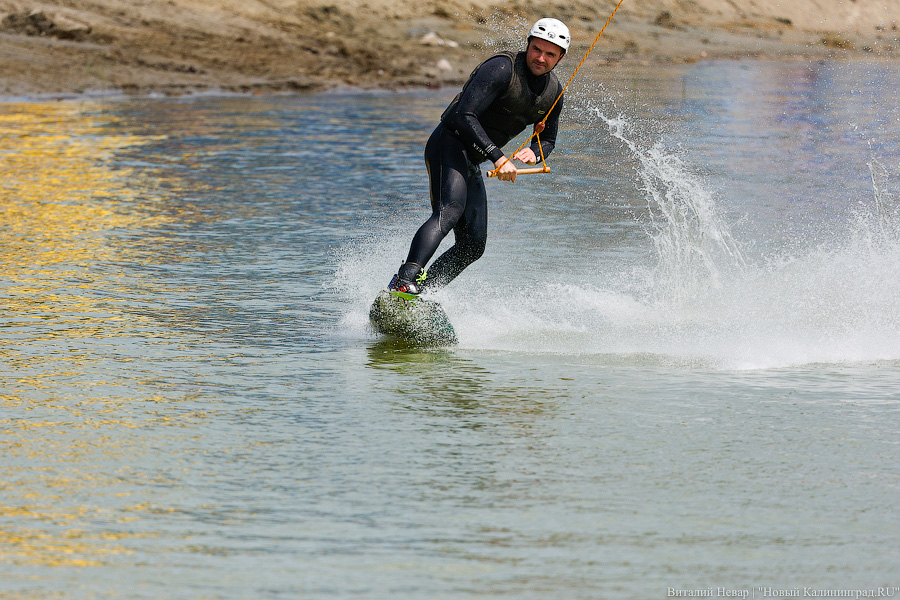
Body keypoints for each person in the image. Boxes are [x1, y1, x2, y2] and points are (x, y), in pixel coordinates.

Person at [387, 17, 570, 297]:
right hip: (448, 142)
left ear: (560, 58)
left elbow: (548, 139)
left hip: (471, 160)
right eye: (537, 49)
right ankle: (404, 279)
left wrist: (535, 152)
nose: (541, 58)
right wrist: (498, 157)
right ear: (528, 45)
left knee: (473, 245)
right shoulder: (501, 68)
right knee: (449, 210)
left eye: (550, 54)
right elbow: (464, 116)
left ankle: (421, 293)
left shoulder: (554, 92)